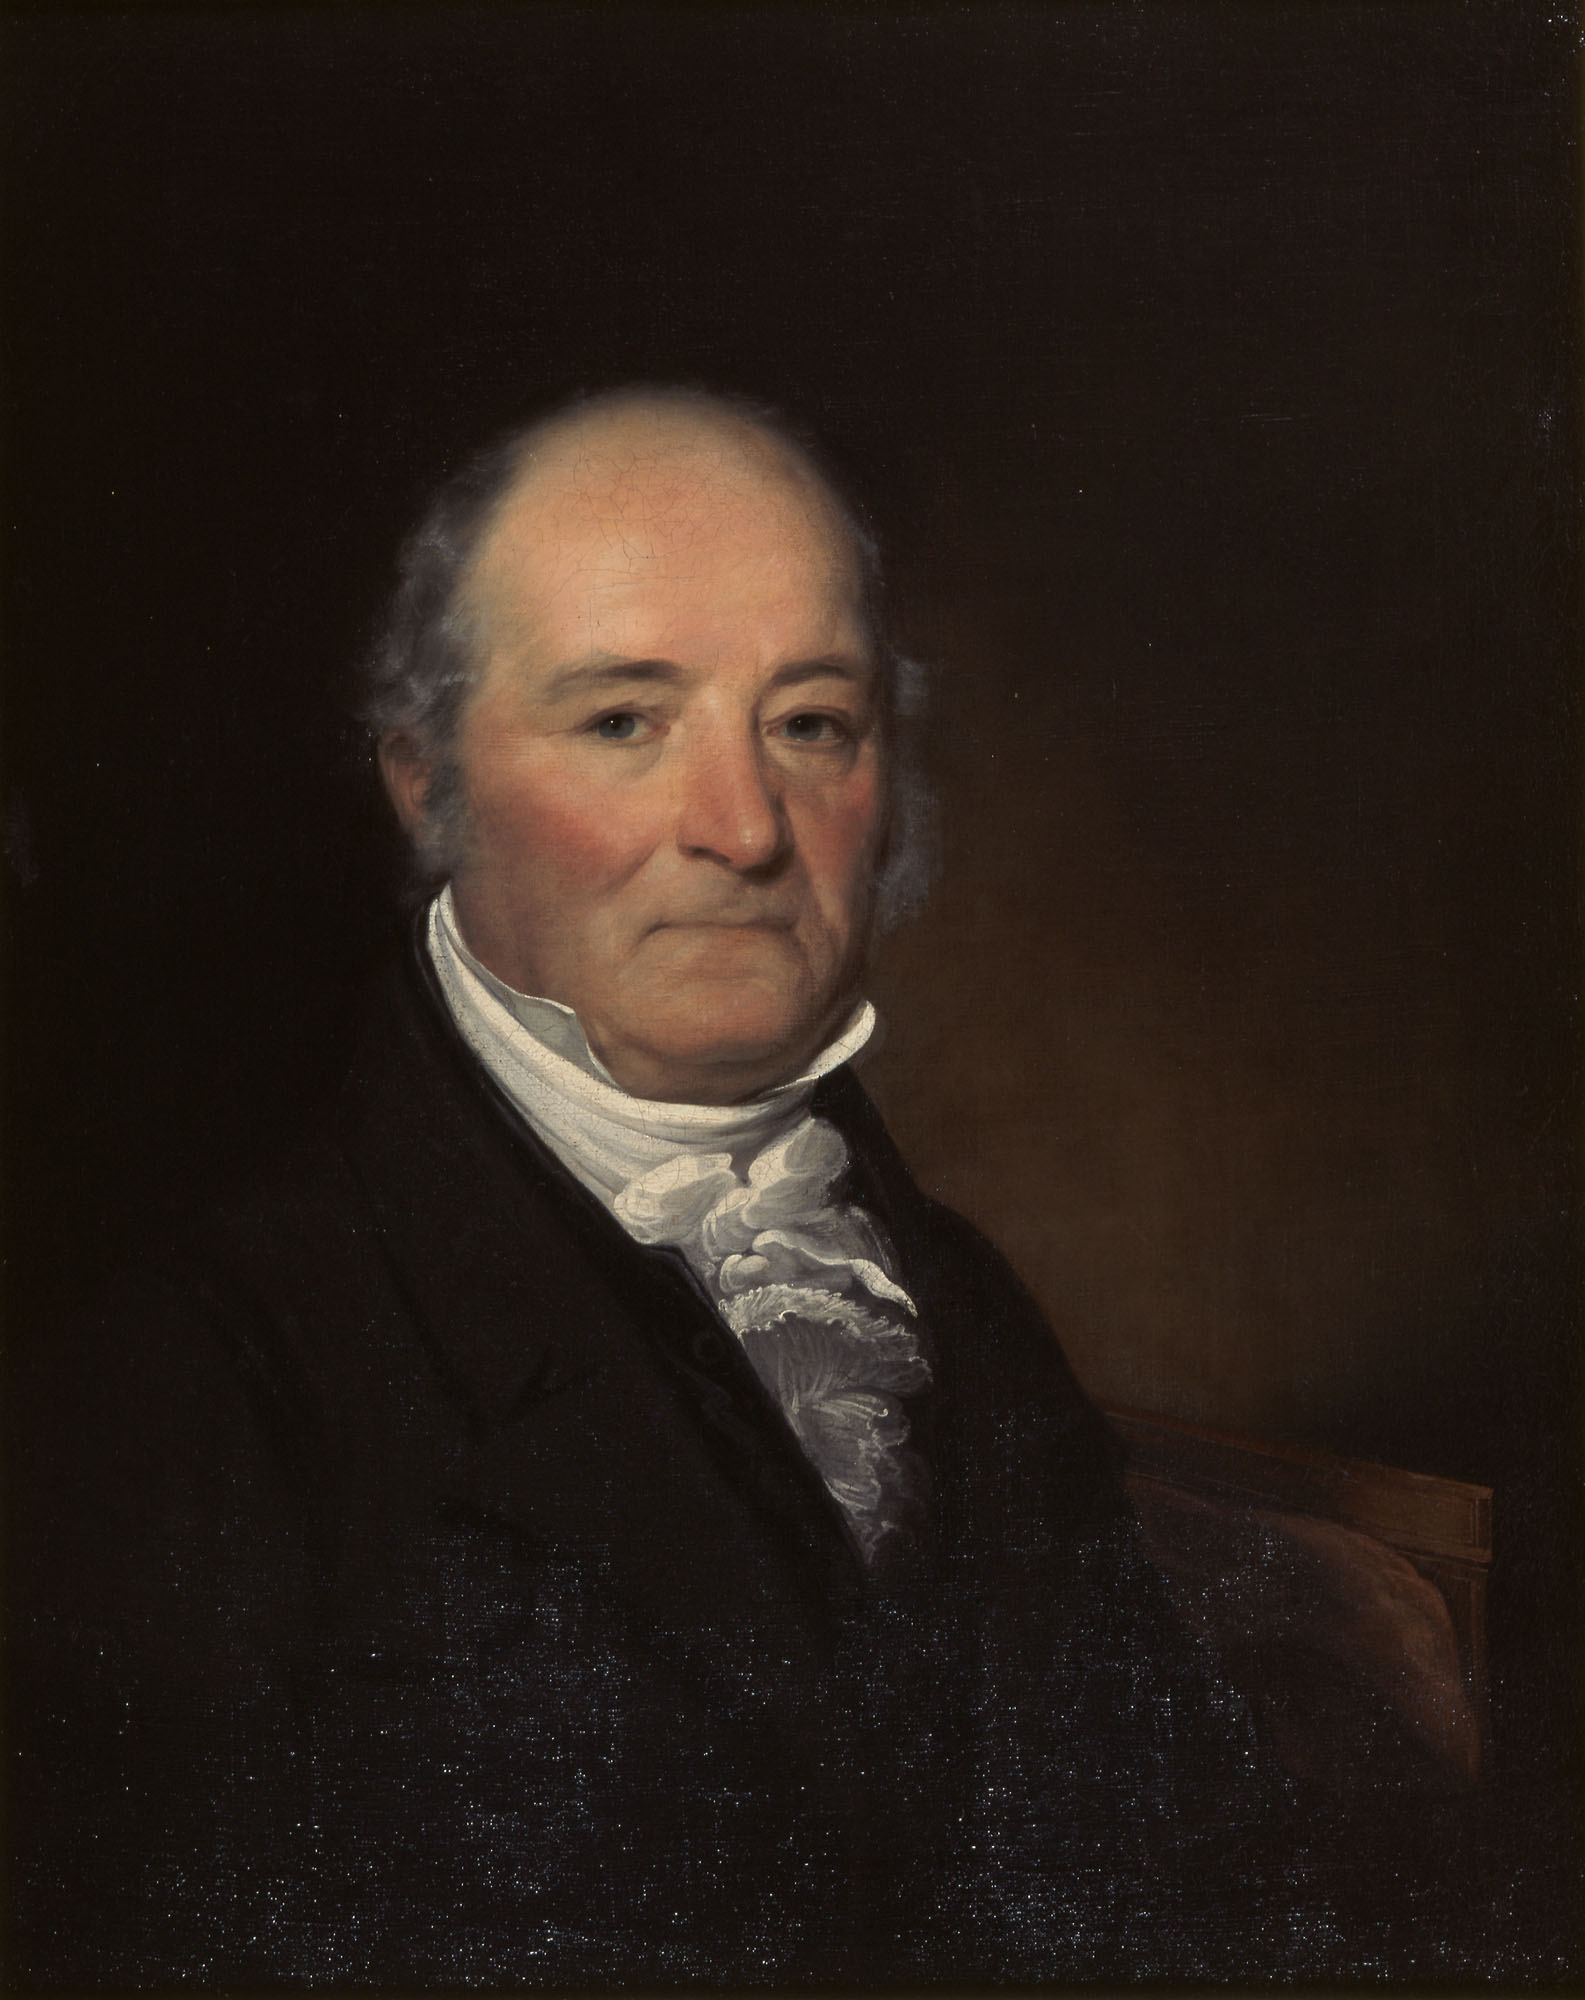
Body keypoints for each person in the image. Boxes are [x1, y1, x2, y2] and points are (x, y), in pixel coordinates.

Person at [7, 387, 1311, 1988]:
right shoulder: (189, 1378)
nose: (745, 828)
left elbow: (1193, 1864)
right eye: (626, 721)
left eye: (809, 723)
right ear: (426, 780)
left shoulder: (954, 1297)